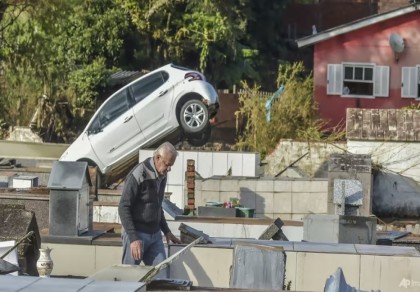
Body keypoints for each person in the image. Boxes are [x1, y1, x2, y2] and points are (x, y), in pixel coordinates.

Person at [118, 141, 181, 266]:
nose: (169, 169)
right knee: (128, 277)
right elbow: (123, 207)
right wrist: (133, 238)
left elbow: (157, 206)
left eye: (171, 166)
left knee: (161, 273)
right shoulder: (138, 174)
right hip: (136, 233)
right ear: (158, 158)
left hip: (155, 235)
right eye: (167, 164)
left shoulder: (162, 175)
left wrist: (167, 231)